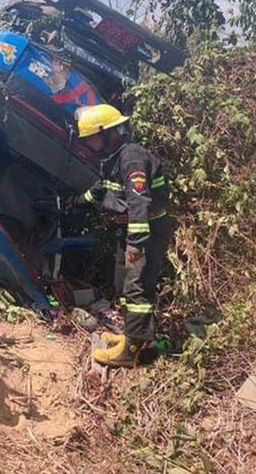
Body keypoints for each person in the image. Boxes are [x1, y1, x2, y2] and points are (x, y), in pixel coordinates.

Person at [75, 104, 171, 368]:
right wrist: (74, 202)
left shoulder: (132, 159)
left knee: (136, 286)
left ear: (107, 133)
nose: (88, 144)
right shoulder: (114, 159)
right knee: (123, 284)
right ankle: (132, 336)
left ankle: (132, 352)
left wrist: (135, 247)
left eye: (91, 138)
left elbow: (139, 206)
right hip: (129, 231)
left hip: (145, 232)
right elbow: (100, 189)